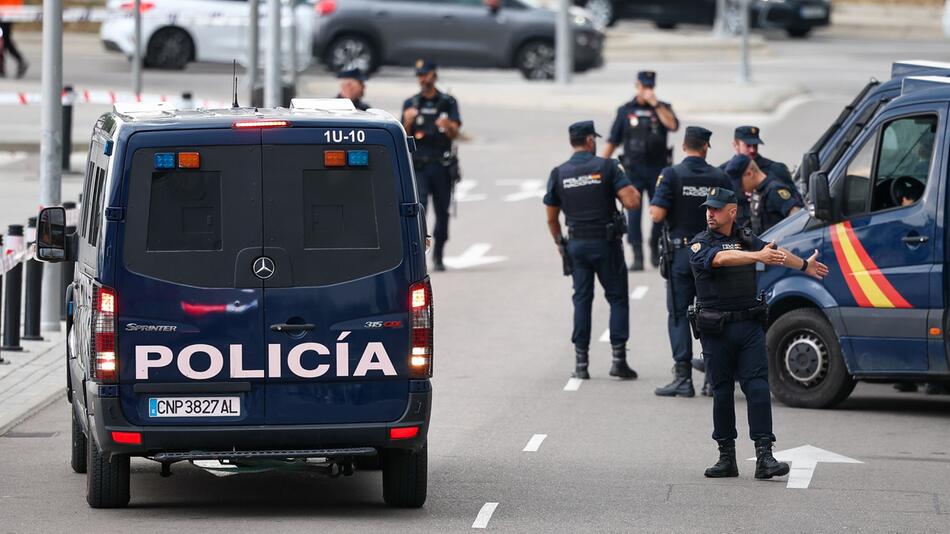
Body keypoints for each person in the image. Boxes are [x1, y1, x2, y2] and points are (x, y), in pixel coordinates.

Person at [688, 187, 828, 479]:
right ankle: (727, 457)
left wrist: (805, 265)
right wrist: (756, 256)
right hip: (717, 329)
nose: (709, 213)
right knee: (723, 393)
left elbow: (773, 253)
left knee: (757, 389)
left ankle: (765, 456)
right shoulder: (701, 243)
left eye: (715, 208)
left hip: (748, 326)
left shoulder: (745, 237)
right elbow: (720, 260)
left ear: (732, 211)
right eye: (707, 209)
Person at [544, 120, 642, 380]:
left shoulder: (559, 173)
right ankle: (618, 360)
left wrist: (559, 242)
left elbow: (552, 218)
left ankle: (581, 364)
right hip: (606, 244)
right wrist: (625, 179)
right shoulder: (607, 167)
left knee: (582, 300)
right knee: (618, 298)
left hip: (576, 245)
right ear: (589, 141)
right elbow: (632, 202)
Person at [650, 126, 731, 398]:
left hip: (683, 255)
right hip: (713, 255)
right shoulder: (720, 176)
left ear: (684, 147)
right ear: (706, 147)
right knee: (712, 313)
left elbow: (657, 214)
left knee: (678, 314)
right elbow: (732, 214)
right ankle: (712, 377)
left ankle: (683, 377)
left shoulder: (671, 175)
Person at [602, 70, 679, 271]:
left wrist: (655, 104)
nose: (647, 90)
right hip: (633, 170)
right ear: (637, 85)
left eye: (650, 87)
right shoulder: (625, 110)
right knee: (633, 214)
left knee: (659, 212)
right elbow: (613, 139)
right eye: (644, 86)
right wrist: (599, 165)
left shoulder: (663, 109)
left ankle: (655, 246)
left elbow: (672, 125)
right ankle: (637, 254)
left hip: (658, 170)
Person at [402, 60, 461, 271]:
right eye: (419, 75)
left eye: (425, 74)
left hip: (441, 165)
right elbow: (404, 135)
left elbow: (456, 133)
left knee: (442, 212)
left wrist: (447, 127)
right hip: (419, 166)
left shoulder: (447, 102)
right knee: (420, 211)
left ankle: (439, 254)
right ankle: (419, 254)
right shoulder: (411, 102)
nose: (422, 79)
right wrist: (408, 121)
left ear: (434, 75)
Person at [724, 154, 803, 235]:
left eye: (740, 184)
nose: (741, 188)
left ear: (749, 174)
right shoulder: (758, 191)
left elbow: (798, 217)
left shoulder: (774, 190)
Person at [0, 9, 29, 79]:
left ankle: (19, 61)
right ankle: (2, 66)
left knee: (4, 39)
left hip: (6, 10)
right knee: (5, 39)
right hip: (7, 10)